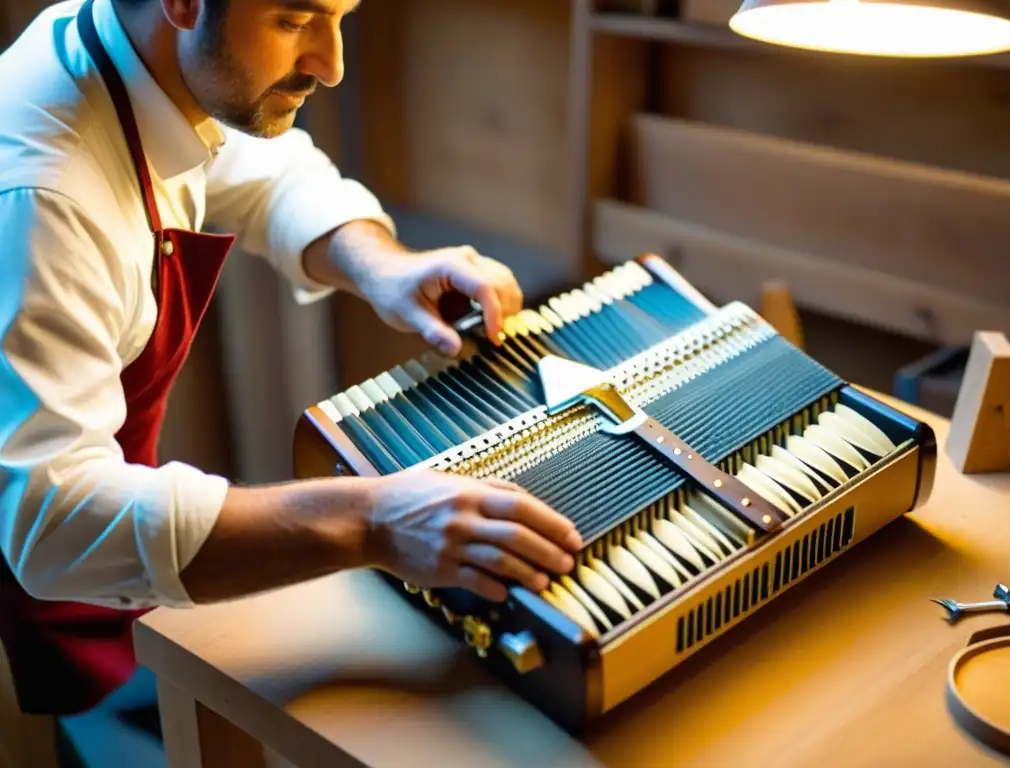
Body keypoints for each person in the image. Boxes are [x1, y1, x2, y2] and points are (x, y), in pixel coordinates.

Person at [0, 0, 582, 760]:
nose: (331, 63)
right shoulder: (43, 198)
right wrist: (371, 522)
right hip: (47, 599)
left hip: (115, 571)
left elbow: (262, 164)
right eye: (295, 18)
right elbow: (52, 519)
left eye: (341, 15)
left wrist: (385, 266)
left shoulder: (131, 51)